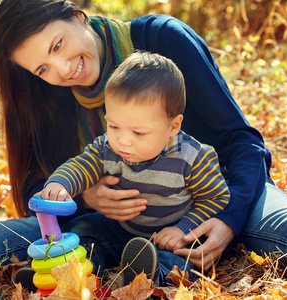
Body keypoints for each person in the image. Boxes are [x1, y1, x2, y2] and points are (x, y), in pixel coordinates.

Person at [0, 0, 287, 294]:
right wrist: (84, 194)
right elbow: (38, 181)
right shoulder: (49, 91)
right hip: (112, 225)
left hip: (216, 197)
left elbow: (241, 141)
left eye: (59, 45)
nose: (63, 69)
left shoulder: (161, 40)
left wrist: (228, 218)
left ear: (77, 16)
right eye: (43, 67)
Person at [38, 51, 230, 283]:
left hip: (171, 237)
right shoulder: (107, 147)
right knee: (86, 231)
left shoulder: (192, 157)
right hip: (121, 230)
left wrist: (184, 229)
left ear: (173, 126)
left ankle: (148, 277)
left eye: (138, 132)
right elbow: (81, 165)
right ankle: (76, 274)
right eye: (114, 126)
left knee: (181, 261)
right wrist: (61, 183)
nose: (123, 140)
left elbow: (217, 199)